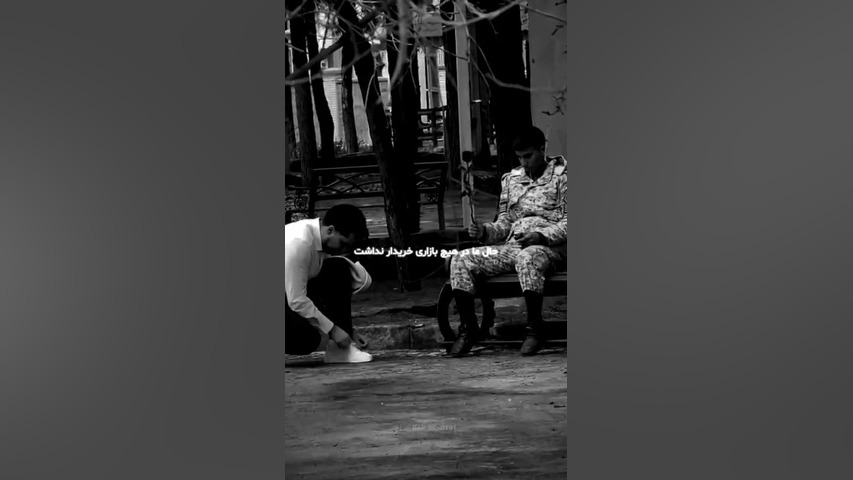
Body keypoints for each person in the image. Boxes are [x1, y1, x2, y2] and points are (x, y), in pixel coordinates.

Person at [449, 126, 567, 357]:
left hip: (551, 248)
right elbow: (504, 223)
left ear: (542, 149)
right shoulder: (511, 180)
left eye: (528, 156)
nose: (524, 162)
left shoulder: (563, 176)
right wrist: (484, 231)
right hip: (513, 246)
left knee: (528, 256)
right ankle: (468, 329)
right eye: (519, 157)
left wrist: (541, 236)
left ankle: (535, 329)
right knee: (461, 259)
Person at [285, 204, 374, 363]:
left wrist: (347, 331)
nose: (344, 250)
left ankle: (340, 350)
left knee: (339, 268)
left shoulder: (321, 241)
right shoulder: (299, 243)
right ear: (330, 230)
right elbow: (297, 301)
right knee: (306, 337)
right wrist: (334, 330)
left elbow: (326, 293)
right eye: (343, 244)